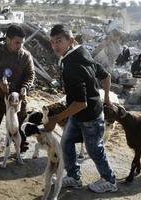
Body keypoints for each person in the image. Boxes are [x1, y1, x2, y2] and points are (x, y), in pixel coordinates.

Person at [44, 24, 117, 193]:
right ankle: (74, 177)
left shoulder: (72, 66)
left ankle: (110, 181)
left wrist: (54, 119)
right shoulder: (82, 53)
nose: (55, 46)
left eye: (59, 41)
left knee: (94, 150)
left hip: (89, 116)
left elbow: (81, 103)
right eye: (53, 42)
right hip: (78, 115)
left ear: (70, 40)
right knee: (66, 142)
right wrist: (105, 98)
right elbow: (106, 76)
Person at [0, 25, 35, 157]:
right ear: (8, 39)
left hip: (17, 98)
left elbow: (30, 75)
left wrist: (24, 87)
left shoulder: (25, 56)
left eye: (22, 43)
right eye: (17, 42)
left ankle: (21, 148)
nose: (20, 46)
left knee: (21, 124)